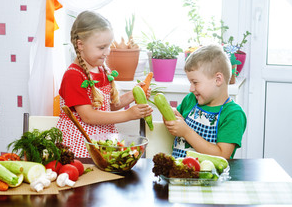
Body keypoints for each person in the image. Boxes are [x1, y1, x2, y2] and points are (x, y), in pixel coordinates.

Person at [56, 10, 153, 157]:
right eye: (102, 47)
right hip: (81, 146)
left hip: (102, 141)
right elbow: (88, 116)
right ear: (80, 45)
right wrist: (127, 114)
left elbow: (107, 106)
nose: (107, 52)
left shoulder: (101, 69)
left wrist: (132, 95)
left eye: (108, 46)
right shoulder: (73, 76)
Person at [164, 44, 246, 159]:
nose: (191, 89)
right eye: (190, 83)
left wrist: (186, 132)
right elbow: (176, 127)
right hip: (178, 173)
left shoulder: (233, 114)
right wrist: (170, 116)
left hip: (210, 176)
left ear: (218, 80)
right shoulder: (191, 100)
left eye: (195, 82)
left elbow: (222, 155)